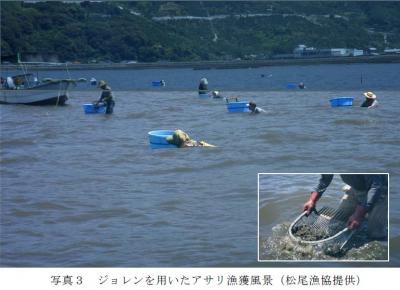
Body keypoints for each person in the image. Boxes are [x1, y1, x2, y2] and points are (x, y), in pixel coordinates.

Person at [303, 174, 388, 239]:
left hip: (380, 191)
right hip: (357, 187)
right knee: (335, 225)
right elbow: (325, 178)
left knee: (375, 235)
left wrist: (359, 214)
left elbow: (376, 187)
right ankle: (364, 217)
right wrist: (312, 200)